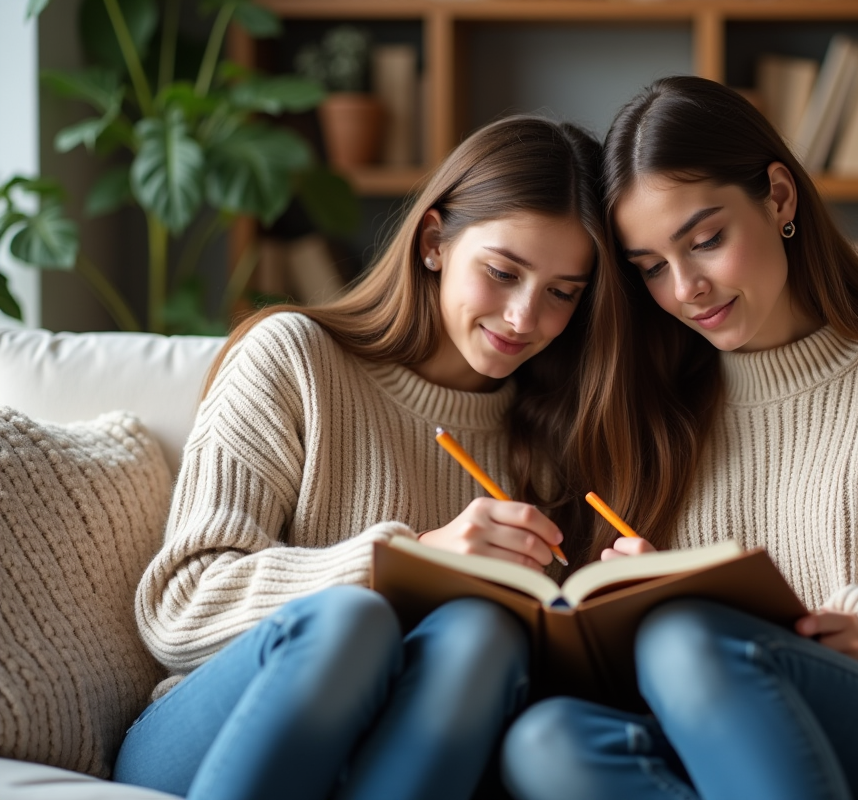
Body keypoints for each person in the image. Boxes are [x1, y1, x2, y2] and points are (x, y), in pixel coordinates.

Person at [501, 76, 858, 800]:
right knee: (548, 741)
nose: (686, 289)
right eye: (650, 268)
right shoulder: (661, 408)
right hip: (732, 734)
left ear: (778, 197)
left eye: (706, 240)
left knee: (693, 643)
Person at [113, 115, 617, 800]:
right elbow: (179, 607)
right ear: (435, 242)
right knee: (352, 621)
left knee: (481, 635)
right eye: (503, 272)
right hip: (211, 731)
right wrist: (407, 562)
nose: (525, 317)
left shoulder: (557, 434)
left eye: (562, 293)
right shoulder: (294, 359)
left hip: (400, 755)